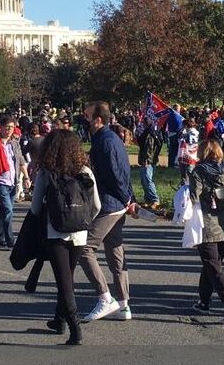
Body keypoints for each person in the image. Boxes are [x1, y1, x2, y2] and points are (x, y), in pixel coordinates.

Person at [28, 129, 101, 345]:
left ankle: (75, 329)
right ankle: (59, 320)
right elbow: (97, 205)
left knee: (64, 282)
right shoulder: (85, 170)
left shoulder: (46, 172)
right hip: (79, 233)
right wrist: (83, 221)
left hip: (55, 232)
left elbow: (34, 208)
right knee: (67, 276)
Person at [79, 100, 135, 323]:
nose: (84, 120)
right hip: (116, 202)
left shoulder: (105, 141)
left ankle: (105, 297)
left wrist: (126, 199)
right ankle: (123, 303)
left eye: (87, 116)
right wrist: (129, 198)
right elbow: (123, 172)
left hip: (111, 204)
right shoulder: (108, 138)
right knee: (115, 250)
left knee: (85, 247)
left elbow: (116, 174)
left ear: (98, 119)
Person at [189, 139, 224, 323]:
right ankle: (204, 301)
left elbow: (194, 197)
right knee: (213, 264)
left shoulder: (199, 171)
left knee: (213, 265)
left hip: (206, 222)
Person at [0, 115, 28, 247]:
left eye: (12, 127)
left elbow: (21, 161)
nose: (9, 130)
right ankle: (10, 240)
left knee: (5, 209)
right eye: (7, 127)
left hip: (12, 181)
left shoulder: (14, 143)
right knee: (8, 209)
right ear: (1, 128)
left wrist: (26, 177)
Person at [136, 118, 163, 207]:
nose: (143, 125)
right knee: (143, 180)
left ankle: (155, 199)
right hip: (147, 159)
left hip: (148, 160)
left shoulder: (150, 133)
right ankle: (148, 199)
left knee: (147, 179)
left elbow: (149, 147)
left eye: (144, 123)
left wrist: (146, 160)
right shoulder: (147, 132)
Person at [176, 116, 199, 185]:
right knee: (183, 177)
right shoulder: (185, 131)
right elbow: (178, 136)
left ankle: (189, 193)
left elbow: (189, 140)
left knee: (190, 178)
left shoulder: (194, 132)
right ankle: (183, 192)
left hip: (190, 158)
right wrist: (183, 129)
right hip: (183, 156)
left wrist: (184, 131)